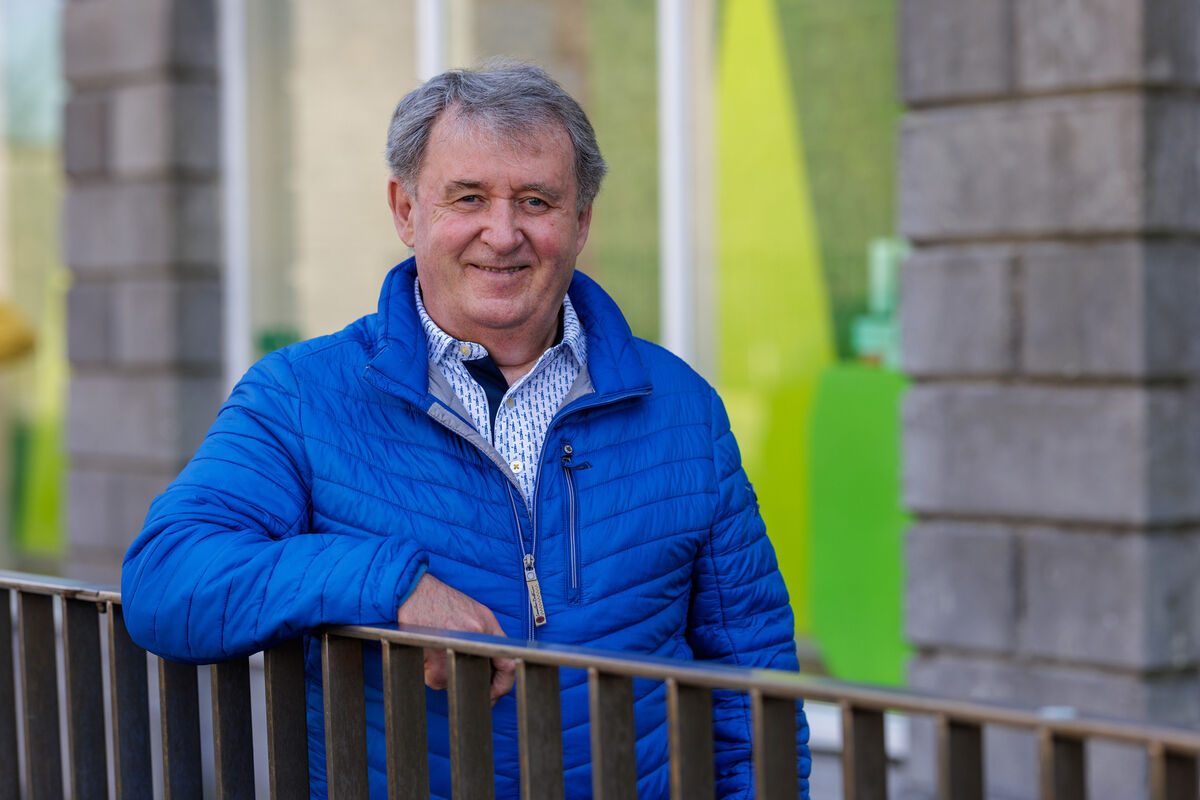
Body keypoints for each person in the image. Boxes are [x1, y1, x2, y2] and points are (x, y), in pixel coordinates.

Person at [121, 62, 810, 798]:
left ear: (581, 222)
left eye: (537, 200)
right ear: (406, 210)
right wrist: (384, 583)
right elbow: (166, 578)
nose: (503, 232)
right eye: (469, 197)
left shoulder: (682, 406)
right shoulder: (299, 396)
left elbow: (753, 684)